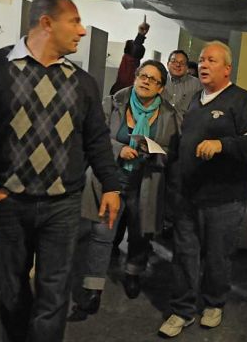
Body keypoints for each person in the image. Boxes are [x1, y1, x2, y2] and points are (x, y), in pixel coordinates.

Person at [0, 0, 121, 342]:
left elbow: (96, 138)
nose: (82, 31)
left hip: (63, 205)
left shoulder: (82, 82)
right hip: (9, 204)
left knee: (54, 291)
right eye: (74, 21)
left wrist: (110, 186)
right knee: (13, 290)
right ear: (47, 23)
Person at [158, 41, 247, 338]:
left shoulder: (242, 101)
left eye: (212, 60)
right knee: (184, 254)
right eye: (202, 60)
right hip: (188, 195)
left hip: (224, 199)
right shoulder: (195, 100)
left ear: (227, 68)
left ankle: (213, 303)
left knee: (217, 255)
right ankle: (182, 309)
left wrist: (223, 144)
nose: (204, 65)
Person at [68, 60, 179, 322]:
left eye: (153, 79)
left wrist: (153, 152)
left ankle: (133, 272)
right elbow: (93, 137)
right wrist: (120, 149)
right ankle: (93, 289)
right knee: (101, 233)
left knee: (140, 234)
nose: (146, 81)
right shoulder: (112, 103)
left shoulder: (169, 115)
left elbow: (173, 151)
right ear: (135, 77)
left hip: (146, 181)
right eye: (143, 75)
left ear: (161, 88)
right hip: (110, 179)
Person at [109, 18, 150, 95]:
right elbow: (134, 51)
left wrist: (140, 35)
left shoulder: (132, 64)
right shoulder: (128, 61)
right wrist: (140, 35)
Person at [161, 50, 203, 123]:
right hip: (159, 127)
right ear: (168, 64)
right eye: (174, 61)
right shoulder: (159, 79)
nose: (178, 65)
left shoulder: (197, 84)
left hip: (184, 128)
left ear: (187, 67)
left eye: (182, 63)